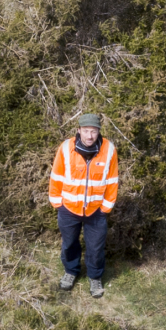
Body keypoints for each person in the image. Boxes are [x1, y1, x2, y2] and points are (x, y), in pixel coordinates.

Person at [48, 112, 119, 298]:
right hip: (69, 208)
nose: (90, 136)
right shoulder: (65, 148)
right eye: (86, 131)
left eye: (94, 131)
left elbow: (112, 180)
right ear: (78, 130)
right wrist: (57, 203)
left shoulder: (109, 149)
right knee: (69, 243)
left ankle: (95, 277)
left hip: (96, 211)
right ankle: (71, 272)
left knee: (95, 247)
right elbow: (56, 176)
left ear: (98, 132)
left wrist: (106, 207)